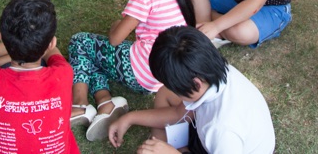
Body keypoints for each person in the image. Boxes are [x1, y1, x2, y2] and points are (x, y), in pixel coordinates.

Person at [68, 0, 196, 141]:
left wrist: (115, 25)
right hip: (164, 77)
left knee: (81, 42)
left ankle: (80, 104)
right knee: (97, 58)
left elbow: (115, 39)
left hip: (141, 72)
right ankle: (105, 102)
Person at [107, 26, 275, 153]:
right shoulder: (216, 71)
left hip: (221, 145)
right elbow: (178, 113)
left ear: (196, 84)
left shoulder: (221, 129)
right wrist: (129, 118)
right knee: (164, 94)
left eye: (175, 85)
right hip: (213, 135)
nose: (171, 88)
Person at [0, 0, 80, 154]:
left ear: (1, 37)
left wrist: (10, 46)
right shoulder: (64, 74)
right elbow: (53, 53)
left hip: (10, 53)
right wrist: (27, 44)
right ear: (52, 42)